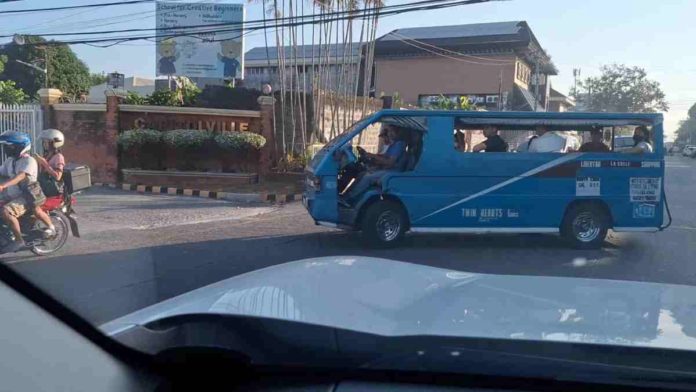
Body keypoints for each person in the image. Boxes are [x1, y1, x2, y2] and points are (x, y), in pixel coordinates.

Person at [0, 131, 39, 253]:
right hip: (11, 194)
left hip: (26, 196)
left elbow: (20, 176)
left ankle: (19, 240)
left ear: (20, 147)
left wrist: (3, 185)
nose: (7, 149)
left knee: (6, 212)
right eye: (6, 146)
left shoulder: (30, 161)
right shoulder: (10, 161)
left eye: (10, 146)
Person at [345, 125, 407, 200]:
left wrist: (373, 156)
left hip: (393, 171)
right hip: (388, 169)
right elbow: (384, 156)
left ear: (397, 132)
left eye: (391, 131)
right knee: (362, 174)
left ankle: (350, 198)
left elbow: (390, 162)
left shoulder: (399, 144)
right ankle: (347, 194)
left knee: (367, 178)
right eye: (389, 132)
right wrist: (371, 155)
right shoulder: (393, 145)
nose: (390, 134)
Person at [33, 129, 67, 236]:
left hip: (52, 191)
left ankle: (49, 227)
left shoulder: (59, 157)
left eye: (47, 141)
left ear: (54, 143)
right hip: (42, 187)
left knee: (35, 206)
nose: (44, 144)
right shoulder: (47, 154)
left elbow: (58, 176)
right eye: (44, 141)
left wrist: (44, 163)